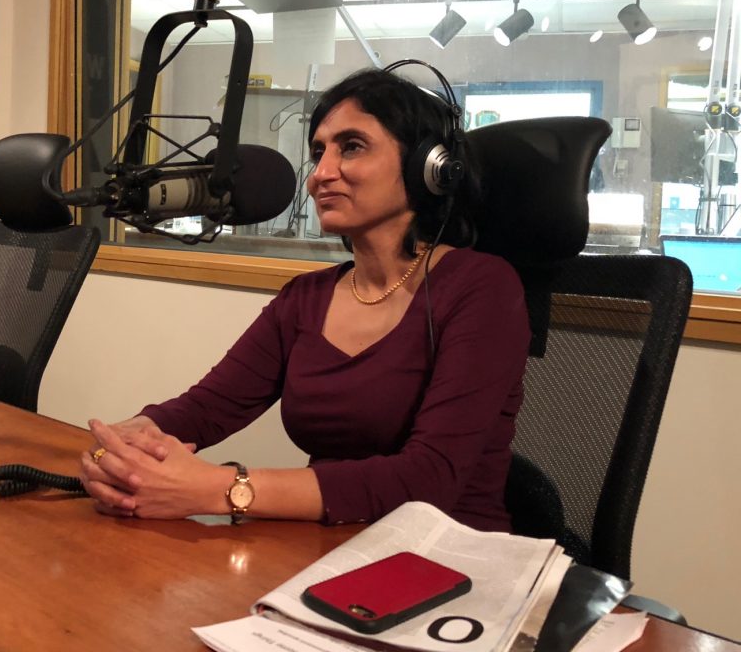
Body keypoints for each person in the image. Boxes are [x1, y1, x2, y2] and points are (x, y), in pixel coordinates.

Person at [79, 67, 530, 531]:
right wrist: (125, 446)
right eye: (318, 153)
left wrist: (219, 489)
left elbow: (430, 478)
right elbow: (207, 408)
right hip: (325, 547)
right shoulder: (305, 298)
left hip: (449, 556)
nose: (320, 175)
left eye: (351, 147)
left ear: (428, 168)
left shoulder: (483, 287)